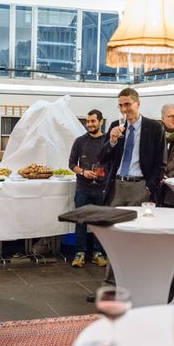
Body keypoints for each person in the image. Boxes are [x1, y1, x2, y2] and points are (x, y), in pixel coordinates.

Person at [86, 87, 166, 301]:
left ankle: (137, 285)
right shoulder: (116, 126)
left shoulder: (154, 128)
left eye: (127, 104)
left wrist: (149, 188)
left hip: (140, 187)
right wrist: (112, 140)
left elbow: (160, 164)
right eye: (120, 105)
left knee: (138, 239)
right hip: (117, 187)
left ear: (138, 103)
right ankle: (110, 286)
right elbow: (102, 157)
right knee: (114, 238)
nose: (124, 109)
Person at [68, 109, 109, 268]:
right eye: (88, 121)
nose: (89, 124)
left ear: (101, 122)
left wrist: (105, 173)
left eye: (93, 121)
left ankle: (98, 253)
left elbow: (114, 162)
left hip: (102, 189)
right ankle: (80, 253)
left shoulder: (108, 141)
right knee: (81, 221)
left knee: (100, 222)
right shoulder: (80, 141)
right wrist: (83, 172)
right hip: (83, 188)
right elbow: (72, 164)